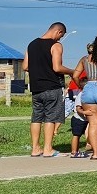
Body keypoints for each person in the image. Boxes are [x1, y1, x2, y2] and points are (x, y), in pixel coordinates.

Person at [23, 22, 74, 157]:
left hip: (36, 88)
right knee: (50, 118)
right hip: (52, 87)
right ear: (58, 32)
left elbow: (25, 66)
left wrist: (38, 68)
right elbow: (57, 67)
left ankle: (35, 148)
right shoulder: (56, 45)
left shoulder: (31, 44)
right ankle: (48, 149)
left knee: (36, 118)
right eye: (61, 36)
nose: (60, 39)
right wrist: (71, 71)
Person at [69, 78, 93, 158]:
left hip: (84, 120)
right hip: (78, 119)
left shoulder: (86, 95)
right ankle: (74, 152)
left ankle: (77, 150)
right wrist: (85, 112)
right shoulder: (81, 95)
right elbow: (78, 108)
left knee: (79, 135)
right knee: (76, 135)